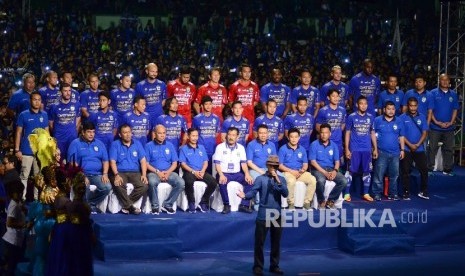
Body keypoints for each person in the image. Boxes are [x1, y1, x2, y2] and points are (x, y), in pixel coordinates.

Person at [237, 155, 288, 276]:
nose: (273, 168)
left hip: (277, 214)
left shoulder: (282, 179)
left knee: (276, 242)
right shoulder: (260, 179)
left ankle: (274, 266)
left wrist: (278, 181)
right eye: (271, 165)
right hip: (263, 214)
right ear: (267, 166)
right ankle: (258, 266)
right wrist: (245, 196)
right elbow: (253, 191)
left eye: (275, 166)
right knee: (259, 242)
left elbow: (285, 193)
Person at [67, 121, 112, 214]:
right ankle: (86, 207)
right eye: (89, 132)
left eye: (93, 132)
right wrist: (82, 175)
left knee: (107, 187)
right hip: (81, 174)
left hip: (97, 175)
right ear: (83, 132)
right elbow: (72, 163)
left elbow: (105, 161)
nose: (91, 134)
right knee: (84, 187)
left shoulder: (99, 143)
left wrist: (105, 174)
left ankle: (90, 204)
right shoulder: (75, 143)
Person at [14, 91, 49, 200]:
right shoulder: (23, 114)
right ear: (30, 101)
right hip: (26, 151)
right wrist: (17, 150)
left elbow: (47, 133)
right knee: (24, 176)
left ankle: (37, 200)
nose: (37, 102)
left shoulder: (44, 114)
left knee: (38, 177)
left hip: (39, 153)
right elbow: (18, 132)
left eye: (39, 100)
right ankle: (22, 199)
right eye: (35, 99)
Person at [343, 96, 378, 202]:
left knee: (367, 171)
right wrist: (347, 149)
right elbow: (347, 133)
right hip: (354, 149)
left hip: (367, 149)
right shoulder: (351, 117)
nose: (363, 105)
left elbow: (372, 133)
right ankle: (346, 193)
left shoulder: (371, 117)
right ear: (357, 105)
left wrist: (375, 148)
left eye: (365, 104)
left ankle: (366, 193)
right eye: (361, 103)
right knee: (350, 171)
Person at [145, 124, 185, 215]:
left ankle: (167, 204)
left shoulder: (170, 145)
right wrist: (157, 172)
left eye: (164, 133)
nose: (162, 135)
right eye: (160, 133)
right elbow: (146, 164)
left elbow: (175, 163)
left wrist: (168, 172)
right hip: (154, 172)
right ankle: (155, 206)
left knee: (181, 183)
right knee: (151, 182)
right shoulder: (148, 146)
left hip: (168, 171)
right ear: (154, 134)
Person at [109, 124, 148, 215]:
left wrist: (144, 175)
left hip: (135, 172)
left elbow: (143, 161)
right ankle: (130, 206)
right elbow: (112, 161)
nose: (127, 135)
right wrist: (116, 175)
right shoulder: (115, 144)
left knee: (144, 186)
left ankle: (127, 205)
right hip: (120, 172)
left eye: (129, 132)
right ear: (120, 134)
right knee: (118, 184)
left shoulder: (137, 144)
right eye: (125, 132)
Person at [213, 127, 254, 214]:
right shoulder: (220, 147)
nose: (231, 137)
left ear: (237, 137)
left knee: (250, 181)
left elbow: (243, 163)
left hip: (237, 174)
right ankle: (227, 205)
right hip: (224, 173)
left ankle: (244, 205)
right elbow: (217, 164)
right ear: (226, 136)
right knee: (222, 181)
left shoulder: (241, 148)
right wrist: (221, 174)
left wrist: (247, 174)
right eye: (229, 135)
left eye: (233, 135)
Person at [372, 101, 405, 201]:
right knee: (379, 175)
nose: (391, 111)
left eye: (393, 109)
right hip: (381, 152)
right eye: (389, 109)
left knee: (394, 175)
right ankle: (377, 193)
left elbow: (401, 136)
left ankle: (393, 193)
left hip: (395, 153)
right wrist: (375, 149)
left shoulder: (399, 121)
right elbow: (373, 134)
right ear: (384, 110)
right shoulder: (377, 120)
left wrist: (402, 149)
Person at [179, 128, 218, 213]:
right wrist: (193, 172)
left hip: (201, 171)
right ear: (188, 136)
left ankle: (203, 202)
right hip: (189, 171)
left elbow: (205, 162)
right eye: (193, 136)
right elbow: (183, 164)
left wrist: (203, 171)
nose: (195, 138)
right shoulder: (183, 149)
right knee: (189, 182)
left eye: (196, 136)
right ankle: (191, 202)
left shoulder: (201, 147)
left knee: (213, 182)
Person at [309, 123, 347, 209]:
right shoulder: (314, 144)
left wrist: (335, 171)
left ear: (330, 134)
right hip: (317, 169)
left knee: (344, 181)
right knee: (321, 180)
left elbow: (337, 161)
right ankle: (321, 200)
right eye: (322, 132)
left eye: (326, 133)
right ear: (319, 133)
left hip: (330, 169)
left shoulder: (333, 145)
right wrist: (325, 173)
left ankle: (331, 200)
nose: (323, 135)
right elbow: (313, 162)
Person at [428, 73, 459, 176]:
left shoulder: (454, 94)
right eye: (443, 80)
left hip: (449, 127)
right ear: (439, 81)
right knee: (432, 148)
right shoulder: (432, 93)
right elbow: (430, 110)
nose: (445, 82)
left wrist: (451, 122)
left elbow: (455, 110)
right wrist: (436, 122)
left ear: (449, 81)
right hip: (435, 126)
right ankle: (429, 169)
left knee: (448, 149)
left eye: (447, 80)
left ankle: (448, 169)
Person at [278, 127, 316, 209]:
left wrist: (302, 170)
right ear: (288, 137)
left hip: (300, 172)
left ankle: (307, 202)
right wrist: (291, 171)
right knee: (291, 181)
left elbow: (305, 164)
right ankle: (291, 203)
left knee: (312, 180)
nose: (294, 139)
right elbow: (280, 165)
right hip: (287, 172)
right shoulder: (283, 149)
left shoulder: (302, 149)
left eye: (296, 137)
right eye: (292, 137)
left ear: (299, 138)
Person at [399, 97, 429, 200]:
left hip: (419, 148)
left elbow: (425, 133)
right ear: (408, 106)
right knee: (406, 171)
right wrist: (410, 145)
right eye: (411, 105)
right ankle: (406, 192)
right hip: (407, 149)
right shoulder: (402, 117)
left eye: (414, 105)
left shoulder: (422, 117)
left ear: (417, 106)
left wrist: (417, 145)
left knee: (424, 170)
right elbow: (401, 134)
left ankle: (424, 191)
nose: (412, 108)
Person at [48, 83, 81, 162]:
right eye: (65, 91)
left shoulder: (76, 104)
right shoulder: (54, 106)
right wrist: (57, 132)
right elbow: (51, 123)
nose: (68, 93)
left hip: (72, 137)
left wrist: (73, 131)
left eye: (69, 90)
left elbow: (78, 119)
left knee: (72, 161)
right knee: (59, 162)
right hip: (59, 138)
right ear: (60, 92)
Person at [228, 63, 260, 138]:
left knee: (249, 139)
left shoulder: (254, 86)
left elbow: (256, 101)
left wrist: (248, 106)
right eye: (245, 72)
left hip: (250, 118)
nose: (247, 74)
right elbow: (230, 102)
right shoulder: (234, 86)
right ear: (240, 73)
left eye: (249, 72)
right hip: (237, 118)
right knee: (237, 138)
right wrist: (238, 110)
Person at [1, 180, 26, 276]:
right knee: (10, 266)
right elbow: (9, 223)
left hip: (15, 240)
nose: (21, 194)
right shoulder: (14, 205)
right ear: (13, 193)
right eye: (19, 192)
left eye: (21, 192)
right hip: (12, 240)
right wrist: (24, 225)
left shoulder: (17, 203)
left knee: (11, 265)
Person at [315, 88, 346, 162]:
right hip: (326, 142)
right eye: (333, 96)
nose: (336, 98)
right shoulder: (323, 110)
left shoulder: (343, 110)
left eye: (337, 96)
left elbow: (343, 124)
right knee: (326, 162)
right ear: (328, 97)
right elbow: (317, 127)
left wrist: (337, 132)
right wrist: (325, 136)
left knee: (338, 162)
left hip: (338, 141)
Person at [192, 95, 221, 174]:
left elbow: (217, 133)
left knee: (212, 171)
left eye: (210, 104)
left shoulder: (216, 118)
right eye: (206, 104)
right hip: (200, 148)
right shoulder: (196, 118)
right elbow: (193, 133)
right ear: (202, 105)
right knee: (200, 169)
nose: (208, 106)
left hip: (212, 148)